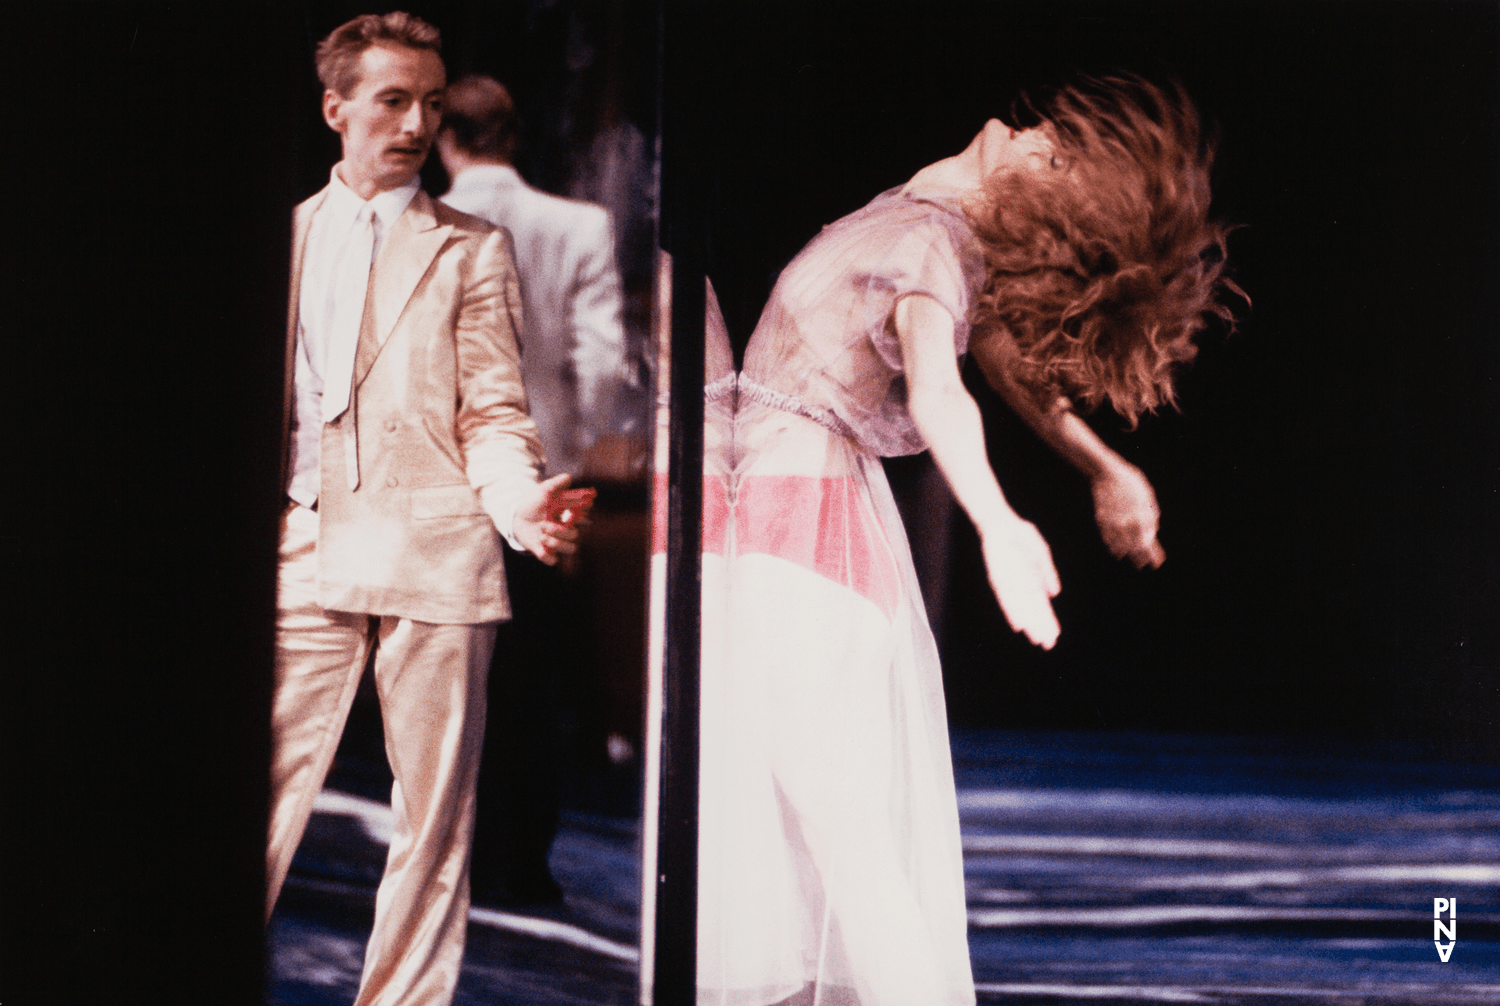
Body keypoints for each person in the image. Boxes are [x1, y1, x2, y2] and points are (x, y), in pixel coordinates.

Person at [698, 77, 1238, 1005]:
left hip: (801, 534)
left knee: (836, 832)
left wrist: (997, 523)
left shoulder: (929, 243)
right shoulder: (927, 224)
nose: (1033, 135)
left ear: (1044, 196)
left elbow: (947, 394)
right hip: (759, 523)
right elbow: (1004, 365)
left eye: (1058, 158)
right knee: (789, 836)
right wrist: (1102, 468)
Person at [267, 13, 593, 1006]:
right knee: (261, 796)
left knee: (435, 822)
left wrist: (518, 508)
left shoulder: (471, 249)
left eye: (431, 104)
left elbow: (493, 410)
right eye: (393, 100)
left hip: (439, 546)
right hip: (307, 540)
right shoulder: (283, 236)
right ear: (336, 109)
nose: (415, 122)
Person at [435, 74, 632, 906]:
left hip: (443, 478)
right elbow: (602, 361)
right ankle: (521, 862)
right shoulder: (577, 225)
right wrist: (579, 457)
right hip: (544, 478)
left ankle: (450, 859)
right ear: (513, 136)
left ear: (445, 136)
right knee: (531, 674)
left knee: (445, 675)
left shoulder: (424, 224)